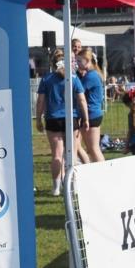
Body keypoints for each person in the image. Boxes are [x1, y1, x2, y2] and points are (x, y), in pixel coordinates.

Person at [35, 49, 89, 196]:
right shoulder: (73, 78)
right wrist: (86, 118)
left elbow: (40, 101)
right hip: (71, 118)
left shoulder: (46, 79)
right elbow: (82, 99)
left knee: (57, 155)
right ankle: (72, 185)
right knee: (71, 154)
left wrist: (38, 118)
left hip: (52, 119)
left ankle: (56, 187)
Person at [76, 48, 106, 163]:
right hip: (93, 113)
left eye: (79, 61)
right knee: (91, 148)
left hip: (92, 114)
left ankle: (104, 172)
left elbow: (78, 91)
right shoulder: (92, 74)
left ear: (88, 61)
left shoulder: (91, 76)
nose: (77, 64)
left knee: (93, 149)